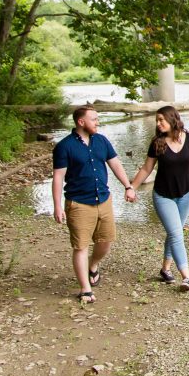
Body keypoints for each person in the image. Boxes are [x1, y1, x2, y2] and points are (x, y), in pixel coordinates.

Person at [52, 106, 135, 304]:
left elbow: (115, 164)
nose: (98, 122)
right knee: (80, 246)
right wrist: (57, 206)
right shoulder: (64, 146)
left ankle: (93, 265)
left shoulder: (102, 141)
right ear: (81, 122)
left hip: (104, 200)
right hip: (79, 203)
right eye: (94, 119)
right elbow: (58, 177)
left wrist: (128, 186)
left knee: (105, 242)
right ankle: (85, 289)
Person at [126, 105, 189, 292]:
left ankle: (165, 269)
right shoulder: (157, 143)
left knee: (173, 232)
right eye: (157, 121)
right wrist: (131, 187)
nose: (158, 124)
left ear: (173, 119)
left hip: (185, 194)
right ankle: (187, 277)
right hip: (163, 196)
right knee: (177, 234)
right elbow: (146, 169)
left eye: (162, 120)